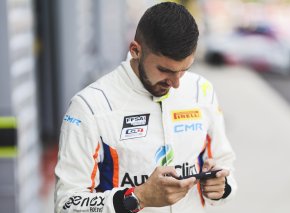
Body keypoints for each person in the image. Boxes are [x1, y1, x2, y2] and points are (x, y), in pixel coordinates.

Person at [54, 2, 237, 213]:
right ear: (135, 51)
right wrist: (137, 198)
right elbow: (67, 204)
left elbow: (225, 163)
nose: (176, 83)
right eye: (165, 70)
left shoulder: (201, 90)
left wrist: (222, 187)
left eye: (184, 70)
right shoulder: (89, 107)